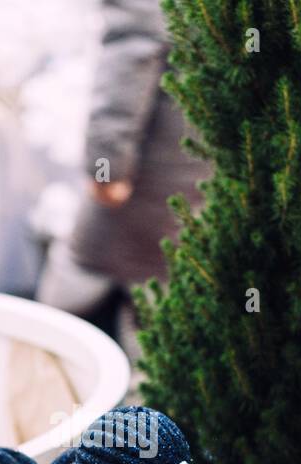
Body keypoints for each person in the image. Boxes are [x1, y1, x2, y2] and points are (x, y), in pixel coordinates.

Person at [37, 0, 208, 339]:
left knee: (85, 271)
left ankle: (46, 358)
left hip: (155, 166)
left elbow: (131, 52)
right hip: (200, 164)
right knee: (163, 282)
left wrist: (108, 166)